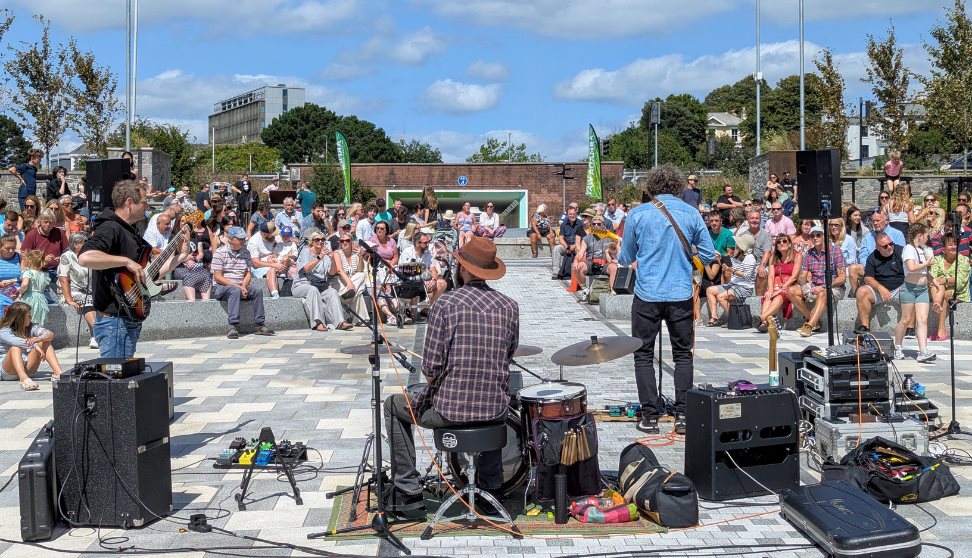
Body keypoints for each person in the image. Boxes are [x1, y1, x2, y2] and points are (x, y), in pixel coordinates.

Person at [383, 237, 517, 518]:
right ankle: (490, 490)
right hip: (495, 411)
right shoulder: (509, 306)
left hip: (450, 412)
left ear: (463, 269)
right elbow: (509, 353)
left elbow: (430, 368)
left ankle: (408, 492)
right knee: (491, 396)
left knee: (393, 404)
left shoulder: (446, 304)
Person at [618, 165, 715, 435]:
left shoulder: (637, 214)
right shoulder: (691, 213)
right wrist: (686, 255)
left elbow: (625, 258)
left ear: (651, 187)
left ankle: (649, 416)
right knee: (683, 355)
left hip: (647, 293)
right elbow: (708, 254)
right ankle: (683, 415)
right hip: (680, 293)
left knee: (643, 355)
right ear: (678, 187)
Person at [79, 180, 189, 357]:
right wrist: (126, 261)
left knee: (125, 376)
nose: (147, 205)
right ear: (129, 202)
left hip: (128, 316)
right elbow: (85, 257)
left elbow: (150, 274)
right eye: (144, 201)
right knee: (116, 379)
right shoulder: (109, 227)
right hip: (113, 321)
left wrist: (181, 257)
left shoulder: (132, 231)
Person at [211, 227, 275, 339]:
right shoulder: (220, 253)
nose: (243, 240)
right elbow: (218, 277)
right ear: (231, 239)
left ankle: (259, 325)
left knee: (257, 291)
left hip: (240, 285)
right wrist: (238, 287)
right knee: (235, 291)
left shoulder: (246, 252)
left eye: (243, 238)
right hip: (222, 287)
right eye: (240, 239)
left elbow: (248, 274)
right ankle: (232, 325)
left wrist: (244, 286)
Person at [789, 225, 846, 337]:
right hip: (815, 285)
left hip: (834, 287)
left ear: (824, 236)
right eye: (812, 236)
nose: (815, 238)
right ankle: (814, 321)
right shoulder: (809, 254)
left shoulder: (835, 251)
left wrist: (825, 286)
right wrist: (804, 286)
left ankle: (809, 326)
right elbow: (802, 276)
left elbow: (842, 277)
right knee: (791, 291)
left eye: (818, 235)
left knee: (823, 293)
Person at [293, 230, 351, 332]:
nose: (320, 242)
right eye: (317, 240)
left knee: (332, 292)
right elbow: (306, 269)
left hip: (321, 286)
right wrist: (319, 257)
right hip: (301, 284)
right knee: (313, 290)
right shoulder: (306, 251)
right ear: (312, 241)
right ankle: (318, 322)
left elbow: (331, 273)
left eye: (322, 240)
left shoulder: (326, 255)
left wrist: (332, 259)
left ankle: (340, 322)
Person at [895, 223, 937, 362]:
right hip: (909, 288)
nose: (928, 238)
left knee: (923, 319)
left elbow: (923, 271)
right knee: (906, 319)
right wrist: (927, 263)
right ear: (919, 235)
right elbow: (912, 267)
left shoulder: (923, 249)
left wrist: (932, 279)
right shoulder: (908, 249)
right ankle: (898, 346)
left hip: (922, 288)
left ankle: (923, 350)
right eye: (926, 235)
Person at [0, 302, 64, 391]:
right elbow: (14, 341)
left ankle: (58, 373)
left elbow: (50, 334)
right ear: (19, 318)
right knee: (15, 348)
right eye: (28, 316)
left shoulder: (32, 327)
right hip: (8, 371)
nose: (31, 318)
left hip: (27, 367)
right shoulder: (4, 331)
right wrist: (35, 346)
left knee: (45, 341)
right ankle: (24, 380)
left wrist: (39, 339)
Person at [855, 232, 904, 335]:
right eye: (885, 246)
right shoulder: (872, 257)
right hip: (879, 290)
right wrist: (880, 288)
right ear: (877, 247)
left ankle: (910, 328)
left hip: (900, 288)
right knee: (861, 291)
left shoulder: (901, 251)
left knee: (911, 291)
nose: (890, 247)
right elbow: (868, 278)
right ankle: (865, 326)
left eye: (891, 244)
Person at [705, 235, 756, 327]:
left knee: (720, 297)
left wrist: (732, 270)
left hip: (744, 288)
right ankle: (714, 317)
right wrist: (720, 260)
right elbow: (729, 266)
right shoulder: (737, 256)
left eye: (738, 245)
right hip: (733, 285)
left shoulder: (750, 258)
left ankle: (735, 318)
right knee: (710, 290)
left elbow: (747, 276)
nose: (736, 246)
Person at [59, 232, 98, 348]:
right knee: (87, 302)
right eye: (84, 242)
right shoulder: (67, 256)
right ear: (76, 244)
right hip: (73, 291)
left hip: (90, 291)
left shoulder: (89, 255)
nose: (87, 244)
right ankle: (98, 334)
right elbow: (63, 279)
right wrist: (69, 299)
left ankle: (95, 337)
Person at [757, 234, 802, 333]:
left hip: (789, 286)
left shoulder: (797, 255)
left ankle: (762, 317)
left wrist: (782, 288)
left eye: (784, 241)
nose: (781, 243)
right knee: (768, 296)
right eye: (779, 242)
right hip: (775, 285)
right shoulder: (773, 256)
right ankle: (764, 323)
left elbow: (794, 276)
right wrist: (770, 289)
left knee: (779, 296)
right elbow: (771, 275)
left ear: (790, 244)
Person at [930, 233, 970, 341]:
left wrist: (944, 280)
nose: (953, 247)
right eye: (950, 244)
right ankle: (937, 305)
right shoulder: (937, 259)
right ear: (944, 247)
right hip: (939, 290)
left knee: (943, 290)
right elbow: (933, 277)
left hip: (959, 293)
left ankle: (940, 328)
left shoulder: (963, 260)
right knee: (939, 287)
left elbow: (960, 282)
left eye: (955, 244)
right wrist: (945, 281)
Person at [21, 209, 68, 299]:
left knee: (61, 294)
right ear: (40, 221)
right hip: (38, 270)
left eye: (51, 222)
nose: (48, 225)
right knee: (46, 297)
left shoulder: (59, 233)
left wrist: (61, 258)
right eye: (45, 222)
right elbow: (25, 256)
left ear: (54, 223)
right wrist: (42, 260)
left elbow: (67, 251)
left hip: (57, 269)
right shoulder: (32, 235)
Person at [571, 215, 618, 300]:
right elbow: (581, 253)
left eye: (598, 224)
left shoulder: (610, 237)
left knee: (614, 267)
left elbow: (617, 250)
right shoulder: (586, 238)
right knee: (579, 266)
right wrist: (576, 261)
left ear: (603, 225)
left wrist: (614, 255)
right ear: (591, 225)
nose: (596, 226)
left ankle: (612, 290)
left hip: (605, 263)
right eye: (594, 224)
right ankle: (585, 289)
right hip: (591, 263)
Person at [398, 231, 447, 308]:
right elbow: (405, 270)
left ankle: (428, 309)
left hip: (423, 283)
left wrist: (433, 279)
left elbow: (433, 270)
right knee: (412, 318)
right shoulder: (407, 252)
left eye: (428, 242)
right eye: (425, 243)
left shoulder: (428, 253)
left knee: (442, 283)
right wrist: (424, 277)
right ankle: (411, 314)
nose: (428, 245)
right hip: (408, 283)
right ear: (417, 243)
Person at [330, 229, 369, 325]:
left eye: (347, 240)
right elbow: (339, 270)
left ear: (351, 242)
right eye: (342, 241)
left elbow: (360, 270)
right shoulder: (337, 253)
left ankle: (359, 319)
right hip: (340, 284)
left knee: (362, 275)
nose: (345, 243)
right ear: (340, 242)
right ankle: (361, 319)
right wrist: (349, 283)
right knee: (358, 291)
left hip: (352, 286)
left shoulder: (354, 254)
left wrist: (360, 256)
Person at [247, 222, 289, 300]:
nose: (275, 235)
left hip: (277, 261)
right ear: (264, 234)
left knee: (289, 263)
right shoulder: (254, 241)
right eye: (273, 234)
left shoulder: (276, 236)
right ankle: (275, 294)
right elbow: (255, 263)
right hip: (260, 267)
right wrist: (272, 264)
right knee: (271, 270)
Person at [552, 206, 585, 279]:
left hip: (577, 245)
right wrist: (566, 246)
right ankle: (556, 271)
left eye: (574, 214)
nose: (572, 215)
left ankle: (578, 271)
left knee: (579, 250)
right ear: (567, 215)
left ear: (576, 214)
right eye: (570, 214)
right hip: (566, 245)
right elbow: (561, 238)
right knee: (556, 248)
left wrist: (574, 246)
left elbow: (583, 238)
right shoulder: (564, 224)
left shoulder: (580, 223)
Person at [0, 234, 22, 315]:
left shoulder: (19, 257)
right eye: (7, 248)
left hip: (17, 291)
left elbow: (25, 275)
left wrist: (20, 290)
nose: (10, 251)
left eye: (13, 248)